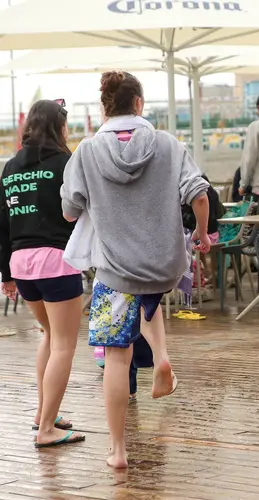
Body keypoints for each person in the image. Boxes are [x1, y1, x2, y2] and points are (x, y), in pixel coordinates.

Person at [61, 71, 212, 468]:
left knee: (116, 356)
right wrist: (201, 235)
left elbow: (69, 210)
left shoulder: (87, 151)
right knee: (147, 297)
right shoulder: (167, 144)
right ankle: (162, 355)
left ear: (103, 108)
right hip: (163, 266)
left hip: (115, 270)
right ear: (139, 104)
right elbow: (199, 194)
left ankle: (118, 450)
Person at [0, 99, 85, 449]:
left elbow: (2, 224)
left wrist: (5, 273)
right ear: (57, 127)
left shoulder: (10, 166)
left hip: (21, 263)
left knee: (49, 335)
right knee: (64, 344)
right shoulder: (66, 162)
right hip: (56, 259)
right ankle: (48, 428)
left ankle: (42, 413)